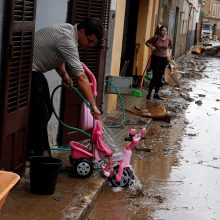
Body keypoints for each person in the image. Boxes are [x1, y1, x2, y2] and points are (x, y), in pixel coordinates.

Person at [28, 17, 103, 157]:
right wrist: (93, 106)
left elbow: (58, 56)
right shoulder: (68, 40)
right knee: (41, 114)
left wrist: (63, 74)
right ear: (82, 31)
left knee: (47, 110)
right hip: (28, 71)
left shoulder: (68, 31)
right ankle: (42, 156)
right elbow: (81, 77)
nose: (90, 46)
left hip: (35, 71)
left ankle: (32, 148)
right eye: (90, 41)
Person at [145, 25, 172, 100]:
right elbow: (147, 42)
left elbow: (169, 47)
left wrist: (169, 55)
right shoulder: (156, 37)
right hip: (156, 58)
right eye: (163, 30)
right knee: (155, 76)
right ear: (160, 31)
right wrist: (151, 47)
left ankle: (156, 93)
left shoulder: (168, 39)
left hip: (164, 59)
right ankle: (149, 93)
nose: (164, 32)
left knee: (159, 76)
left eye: (165, 30)